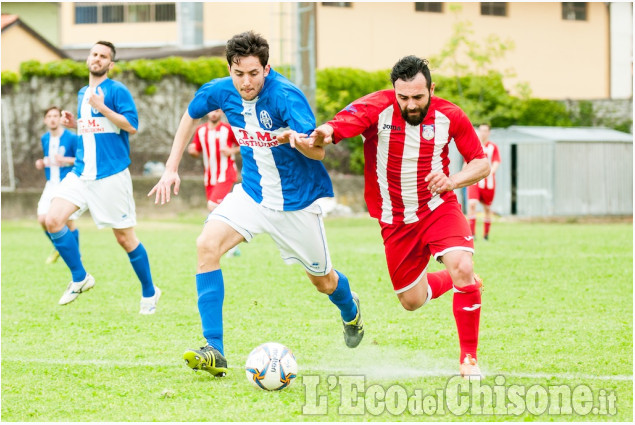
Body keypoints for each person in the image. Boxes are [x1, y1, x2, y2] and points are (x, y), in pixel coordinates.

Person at [149, 31, 364, 377]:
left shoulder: (286, 97)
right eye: (239, 74)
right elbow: (191, 114)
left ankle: (351, 310)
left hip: (295, 204)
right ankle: (214, 349)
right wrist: (171, 168)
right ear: (230, 70)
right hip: (250, 194)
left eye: (253, 73)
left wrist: (296, 140)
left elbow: (319, 150)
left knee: (324, 281)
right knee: (206, 245)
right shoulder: (221, 90)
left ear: (267, 68)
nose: (246, 82)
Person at [306, 56, 490, 377]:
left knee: (462, 263)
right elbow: (338, 125)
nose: (411, 105)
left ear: (431, 88)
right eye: (403, 97)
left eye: (418, 97)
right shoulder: (377, 107)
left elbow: (481, 163)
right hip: (394, 220)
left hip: (438, 207)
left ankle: (468, 359)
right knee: (411, 300)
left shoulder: (450, 115)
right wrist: (319, 133)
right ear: (394, 91)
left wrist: (454, 181)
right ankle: (461, 281)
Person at [46, 41, 160, 314]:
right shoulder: (83, 92)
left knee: (125, 239)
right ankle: (80, 277)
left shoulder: (116, 90)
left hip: (110, 175)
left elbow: (131, 126)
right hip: (81, 173)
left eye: (103, 56)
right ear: (88, 58)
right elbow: (96, 129)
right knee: (52, 220)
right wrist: (77, 124)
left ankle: (149, 292)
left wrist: (102, 107)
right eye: (94, 54)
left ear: (110, 64)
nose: (97, 59)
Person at [36, 106, 80, 264]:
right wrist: (42, 163)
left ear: (60, 119)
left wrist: (66, 160)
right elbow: (49, 159)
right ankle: (59, 247)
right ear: (45, 120)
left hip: (66, 183)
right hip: (51, 183)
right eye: (49, 116)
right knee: (42, 219)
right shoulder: (45, 138)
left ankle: (76, 255)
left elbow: (81, 159)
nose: (53, 119)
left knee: (67, 222)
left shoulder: (72, 138)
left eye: (56, 115)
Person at [187, 109, 241, 212]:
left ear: (221, 112)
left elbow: (244, 146)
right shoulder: (200, 130)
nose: (214, 114)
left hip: (226, 173)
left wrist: (231, 151)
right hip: (209, 176)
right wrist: (192, 151)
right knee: (218, 210)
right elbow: (196, 151)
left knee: (212, 205)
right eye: (211, 111)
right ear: (207, 112)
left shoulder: (228, 129)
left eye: (216, 111)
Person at [467, 124, 501, 240]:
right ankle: (472, 234)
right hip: (474, 181)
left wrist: (491, 172)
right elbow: (467, 162)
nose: (483, 133)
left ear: (489, 132)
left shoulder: (493, 147)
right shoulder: (472, 146)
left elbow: (496, 162)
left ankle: (486, 235)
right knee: (472, 204)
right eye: (481, 131)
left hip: (489, 183)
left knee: (487, 208)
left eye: (485, 131)